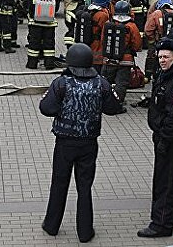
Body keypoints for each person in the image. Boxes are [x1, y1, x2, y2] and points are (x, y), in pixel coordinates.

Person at [40, 43, 123, 243]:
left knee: (59, 183)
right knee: (84, 187)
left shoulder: (61, 83)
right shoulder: (101, 83)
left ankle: (51, 226)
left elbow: (46, 108)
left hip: (65, 142)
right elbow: (113, 108)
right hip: (89, 143)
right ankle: (85, 232)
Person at [137, 38, 173, 238]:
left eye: (166, 57)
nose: (161, 60)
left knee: (165, 181)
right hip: (169, 136)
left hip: (170, 138)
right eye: (160, 56)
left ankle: (161, 224)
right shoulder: (168, 74)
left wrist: (164, 140)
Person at [101, 1, 142, 105]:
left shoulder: (109, 24)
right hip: (125, 60)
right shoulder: (131, 26)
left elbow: (103, 41)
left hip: (109, 59)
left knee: (106, 81)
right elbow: (137, 43)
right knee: (121, 83)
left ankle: (102, 100)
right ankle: (117, 103)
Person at [26, 0, 58, 69]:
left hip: (36, 25)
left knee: (34, 45)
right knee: (49, 45)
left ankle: (32, 64)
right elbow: (55, 9)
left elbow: (26, 6)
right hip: (50, 25)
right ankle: (49, 64)